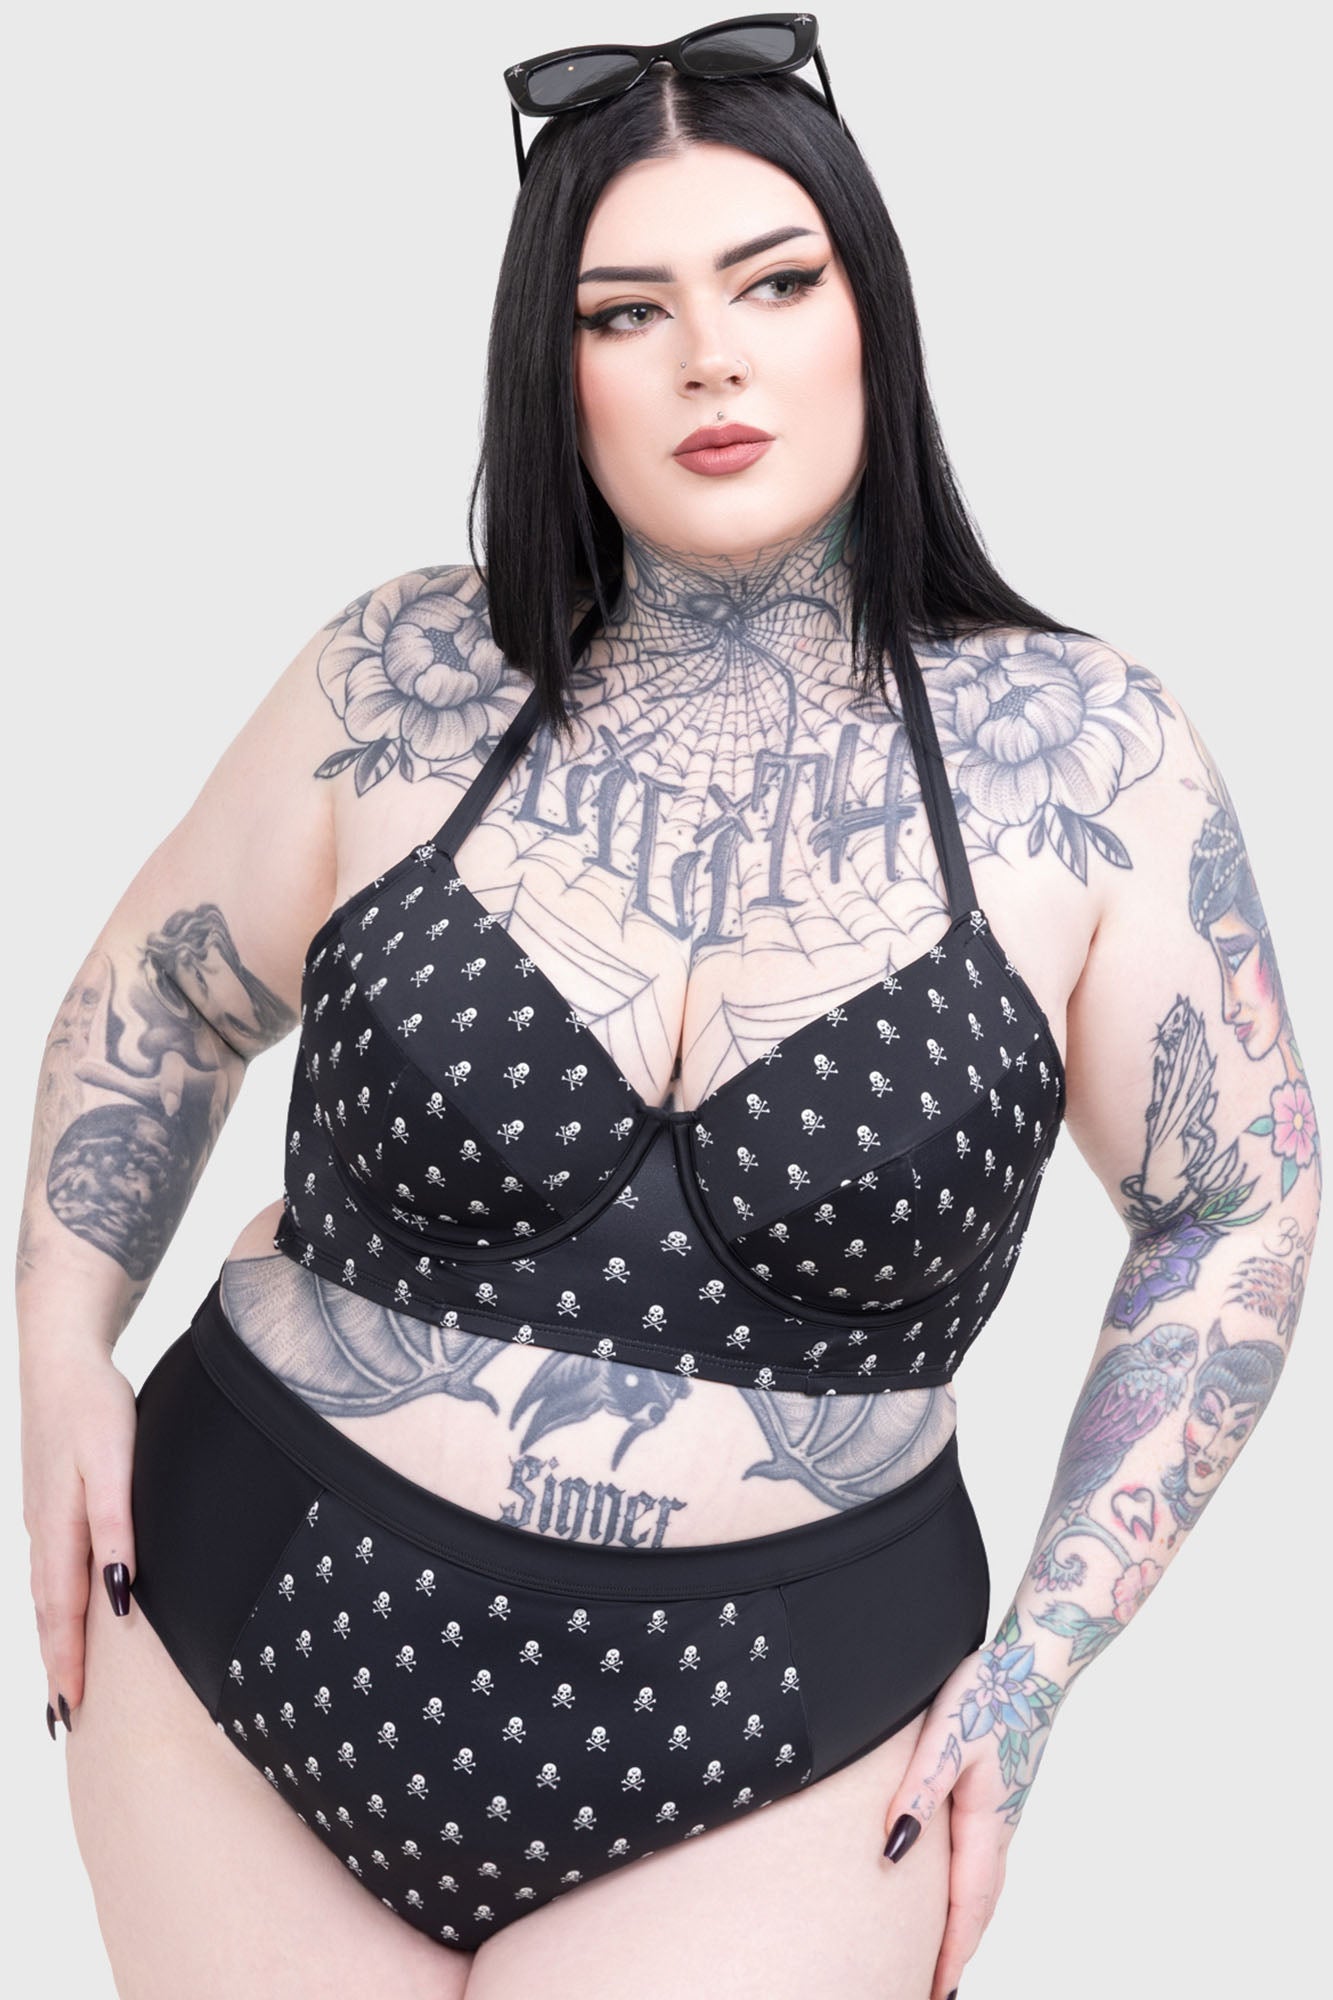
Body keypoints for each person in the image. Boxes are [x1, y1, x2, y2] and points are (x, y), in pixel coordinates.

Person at [16, 18, 1320, 1999]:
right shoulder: (401, 673)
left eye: (773, 282)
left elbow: (1234, 1203)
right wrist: (56, 1345)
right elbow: (161, 996)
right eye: (625, 311)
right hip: (235, 1617)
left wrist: (1043, 1659)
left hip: (784, 1729)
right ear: (553, 371)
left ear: (869, 311)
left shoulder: (1087, 753)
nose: (710, 356)